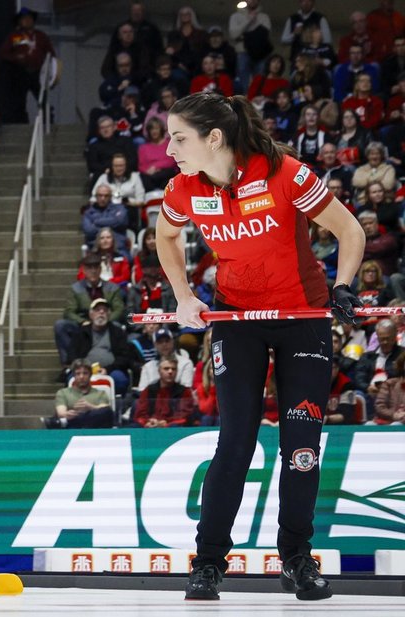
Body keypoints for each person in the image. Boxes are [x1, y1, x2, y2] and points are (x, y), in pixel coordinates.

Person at [157, 91, 364, 601]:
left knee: (300, 448)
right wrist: (184, 297)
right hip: (236, 319)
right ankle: (207, 564)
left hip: (302, 318)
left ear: (214, 138)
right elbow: (165, 237)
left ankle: (296, 560)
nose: (169, 149)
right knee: (236, 441)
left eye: (179, 138)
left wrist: (343, 287)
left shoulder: (285, 173)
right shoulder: (183, 189)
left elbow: (350, 230)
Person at [0, 7, 55, 123]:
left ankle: (47, 122)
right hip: (20, 73)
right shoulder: (14, 36)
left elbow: (51, 53)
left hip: (38, 72)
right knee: (19, 101)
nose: (27, 21)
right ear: (19, 22)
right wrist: (16, 58)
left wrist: (49, 68)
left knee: (42, 98)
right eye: (24, 19)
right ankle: (21, 123)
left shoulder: (41, 36)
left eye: (29, 18)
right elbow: (3, 53)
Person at [46, 358, 113, 429]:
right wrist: (71, 413)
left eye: (85, 373)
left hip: (94, 429)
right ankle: (75, 421)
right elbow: (61, 413)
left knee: (107, 411)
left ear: (90, 375)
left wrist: (90, 407)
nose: (81, 377)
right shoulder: (63, 393)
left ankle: (74, 420)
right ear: (74, 376)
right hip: (73, 429)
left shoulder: (100, 393)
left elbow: (105, 410)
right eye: (78, 374)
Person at [133, 356, 195, 427]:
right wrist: (148, 421)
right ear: (159, 371)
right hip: (150, 426)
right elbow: (140, 414)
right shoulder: (148, 390)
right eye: (166, 369)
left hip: (173, 427)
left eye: (173, 369)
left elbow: (185, 415)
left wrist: (166, 423)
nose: (170, 371)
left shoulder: (184, 391)